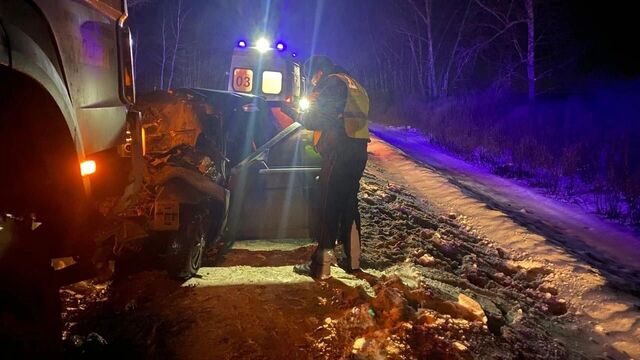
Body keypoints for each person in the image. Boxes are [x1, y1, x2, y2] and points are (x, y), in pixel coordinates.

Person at [290, 55, 370, 279]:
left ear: (319, 72)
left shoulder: (332, 82)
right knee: (348, 203)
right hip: (358, 150)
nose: (313, 82)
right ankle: (353, 261)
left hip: (339, 150)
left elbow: (317, 119)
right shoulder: (355, 84)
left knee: (328, 204)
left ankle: (321, 267)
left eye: (312, 77)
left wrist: (296, 113)